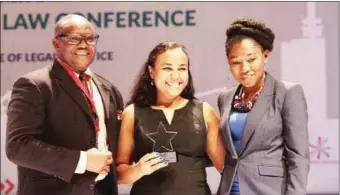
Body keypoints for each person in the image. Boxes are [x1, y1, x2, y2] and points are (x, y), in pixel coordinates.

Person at [5, 14, 123, 195]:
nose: (84, 45)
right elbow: (18, 147)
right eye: (74, 38)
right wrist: (82, 161)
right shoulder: (34, 85)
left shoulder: (109, 89)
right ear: (56, 44)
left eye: (90, 38)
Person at [115, 41, 225, 195]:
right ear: (151, 72)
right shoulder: (132, 113)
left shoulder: (204, 112)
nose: (175, 76)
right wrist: (138, 170)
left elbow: (226, 169)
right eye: (167, 68)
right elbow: (118, 174)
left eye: (182, 69)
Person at [216, 18, 310, 195]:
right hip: (229, 190)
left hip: (268, 190)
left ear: (265, 56)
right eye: (236, 62)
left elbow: (298, 157)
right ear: (228, 63)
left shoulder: (287, 93)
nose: (244, 68)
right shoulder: (225, 98)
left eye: (251, 59)